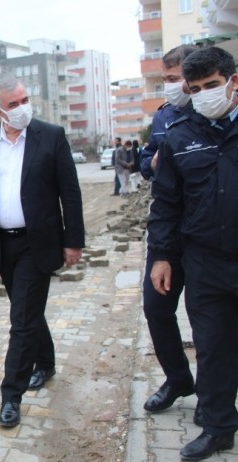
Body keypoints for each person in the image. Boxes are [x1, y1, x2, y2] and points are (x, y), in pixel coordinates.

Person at [0, 76, 85, 428]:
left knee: (21, 320)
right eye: (13, 104)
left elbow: (70, 192)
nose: (22, 108)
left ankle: (10, 396)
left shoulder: (52, 136)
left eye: (25, 100)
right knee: (27, 310)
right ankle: (45, 362)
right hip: (2, 244)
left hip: (39, 243)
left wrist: (73, 240)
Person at [148, 46, 238, 462]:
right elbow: (165, 202)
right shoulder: (181, 135)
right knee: (212, 346)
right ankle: (219, 427)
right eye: (196, 88)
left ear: (233, 81)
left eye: (213, 86)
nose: (204, 95)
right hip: (205, 261)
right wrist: (163, 256)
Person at [139, 45, 201, 424]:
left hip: (208, 233)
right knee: (156, 307)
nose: (171, 87)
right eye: (166, 80)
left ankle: (213, 395)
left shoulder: (214, 112)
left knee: (207, 316)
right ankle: (178, 378)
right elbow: (146, 160)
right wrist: (155, 161)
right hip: (167, 232)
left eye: (176, 79)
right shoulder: (163, 118)